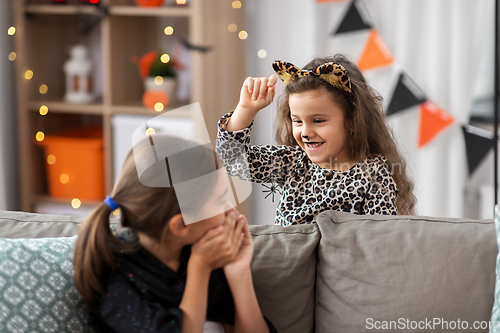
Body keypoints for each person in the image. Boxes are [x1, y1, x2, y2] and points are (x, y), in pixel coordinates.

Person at [73, 134, 276, 333]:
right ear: (180, 226)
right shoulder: (115, 279)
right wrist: (200, 266)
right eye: (220, 199)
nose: (231, 210)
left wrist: (238, 272)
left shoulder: (200, 251)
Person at [216, 54, 416, 226]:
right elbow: (233, 161)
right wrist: (245, 110)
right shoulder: (292, 162)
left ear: (353, 120)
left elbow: (380, 239)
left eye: (318, 121)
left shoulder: (374, 174)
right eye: (297, 121)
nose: (305, 132)